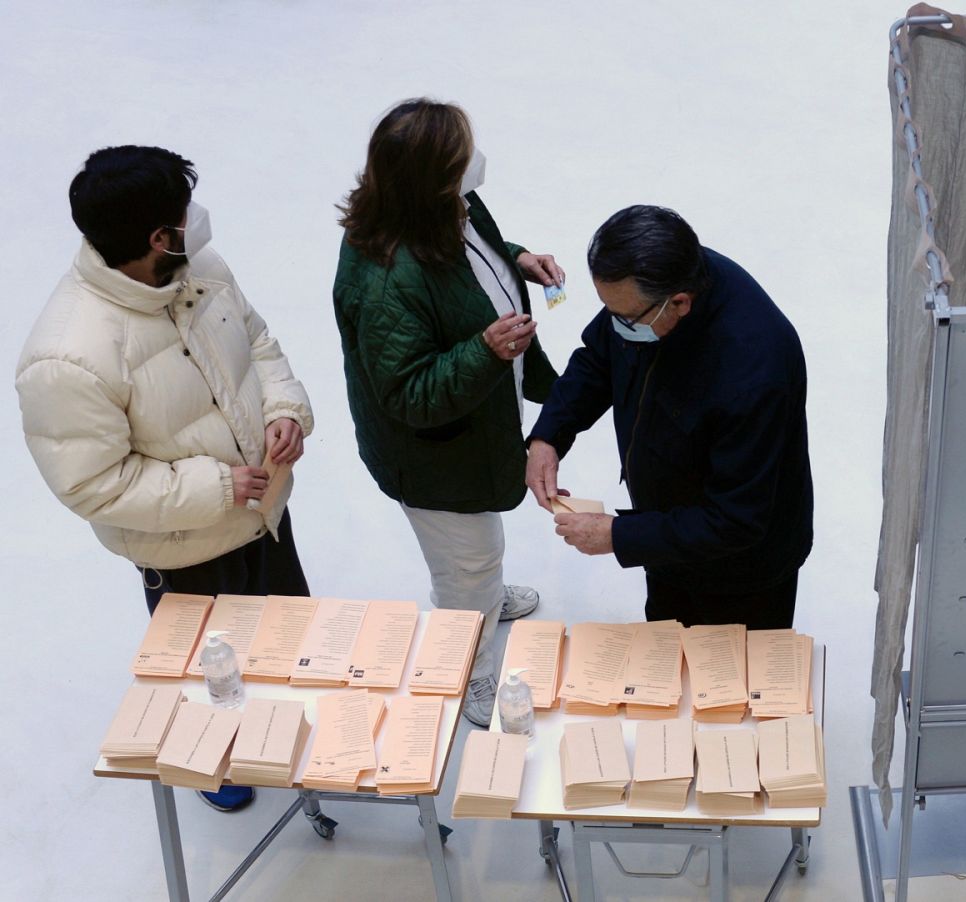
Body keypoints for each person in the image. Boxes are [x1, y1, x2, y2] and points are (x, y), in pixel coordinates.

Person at [16, 146, 314, 812]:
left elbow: (259, 344)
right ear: (158, 236)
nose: (199, 221)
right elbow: (93, 485)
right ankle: (221, 766)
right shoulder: (67, 357)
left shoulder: (201, 269)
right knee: (217, 681)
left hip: (266, 516)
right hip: (187, 553)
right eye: (186, 214)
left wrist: (287, 410)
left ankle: (291, 732)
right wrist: (218, 488)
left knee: (293, 644)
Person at [332, 99, 564, 727]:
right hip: (434, 457)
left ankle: (481, 597)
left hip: (476, 426)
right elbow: (408, 394)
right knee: (467, 561)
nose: (476, 164)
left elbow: (469, 251)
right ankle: (470, 667)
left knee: (477, 550)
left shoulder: (446, 209)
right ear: (432, 179)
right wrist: (484, 350)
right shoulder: (386, 280)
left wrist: (512, 258)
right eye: (463, 156)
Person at [526, 206, 813, 629]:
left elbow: (736, 520)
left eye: (623, 317)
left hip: (741, 575)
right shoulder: (649, 295)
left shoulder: (753, 369)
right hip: (667, 541)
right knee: (665, 659)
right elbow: (597, 359)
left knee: (730, 685)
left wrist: (618, 536)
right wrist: (549, 434)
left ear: (679, 303)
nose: (615, 324)